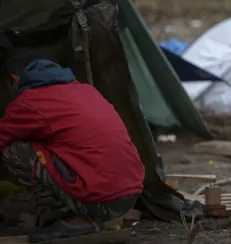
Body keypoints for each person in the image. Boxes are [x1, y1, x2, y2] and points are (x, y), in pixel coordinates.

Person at [0, 48, 144, 243]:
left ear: (14, 78)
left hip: (101, 199)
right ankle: (79, 212)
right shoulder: (85, 90)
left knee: (14, 151)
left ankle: (75, 218)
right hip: (129, 194)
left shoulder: (30, 101)